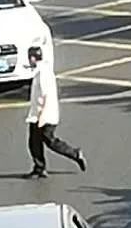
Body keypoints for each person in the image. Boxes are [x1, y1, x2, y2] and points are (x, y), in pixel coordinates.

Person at [25, 44, 86, 178]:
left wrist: (42, 116)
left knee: (49, 141)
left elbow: (45, 96)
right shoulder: (43, 69)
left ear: (33, 58)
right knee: (35, 141)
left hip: (43, 115)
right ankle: (39, 168)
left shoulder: (42, 74)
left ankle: (74, 154)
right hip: (43, 114)